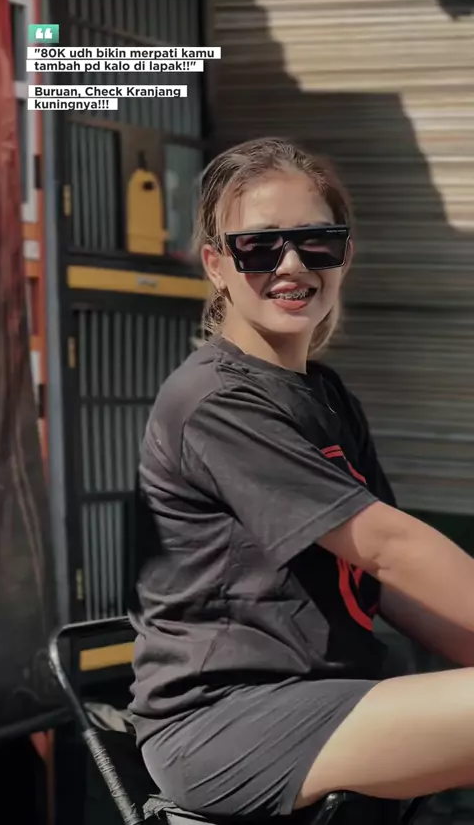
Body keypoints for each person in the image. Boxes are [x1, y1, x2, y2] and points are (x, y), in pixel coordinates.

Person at [129, 137, 474, 820]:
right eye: (259, 247)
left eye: (316, 242)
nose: (291, 265)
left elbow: (383, 583)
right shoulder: (216, 402)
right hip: (227, 719)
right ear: (217, 265)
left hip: (327, 692)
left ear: (344, 256)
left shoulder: (323, 393)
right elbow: (388, 547)